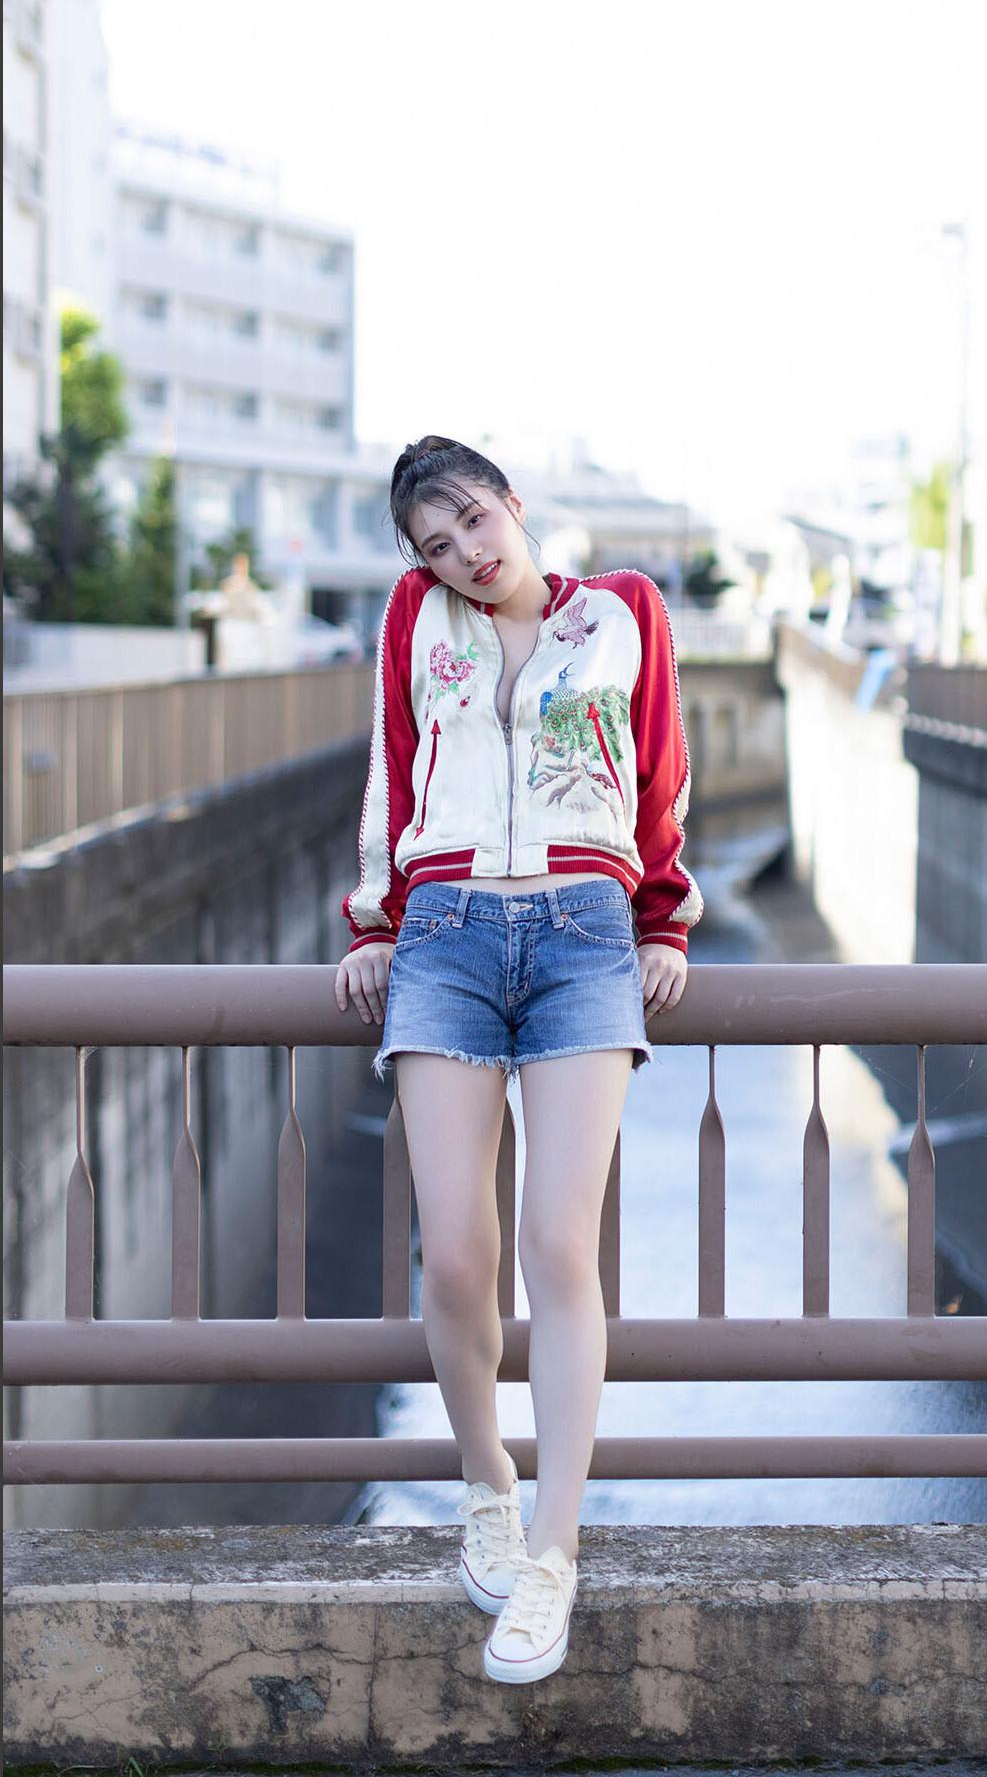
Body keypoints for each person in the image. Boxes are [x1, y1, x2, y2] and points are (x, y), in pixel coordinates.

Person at [333, 434, 702, 1685]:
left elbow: (658, 773)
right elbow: (392, 771)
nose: (466, 555)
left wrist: (663, 920)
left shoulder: (622, 612)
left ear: (512, 503)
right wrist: (375, 923)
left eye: (475, 523)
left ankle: (553, 1548)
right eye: (436, 545)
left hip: (584, 934)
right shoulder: (414, 620)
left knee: (557, 1242)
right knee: (456, 1251)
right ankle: (486, 1480)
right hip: (442, 934)